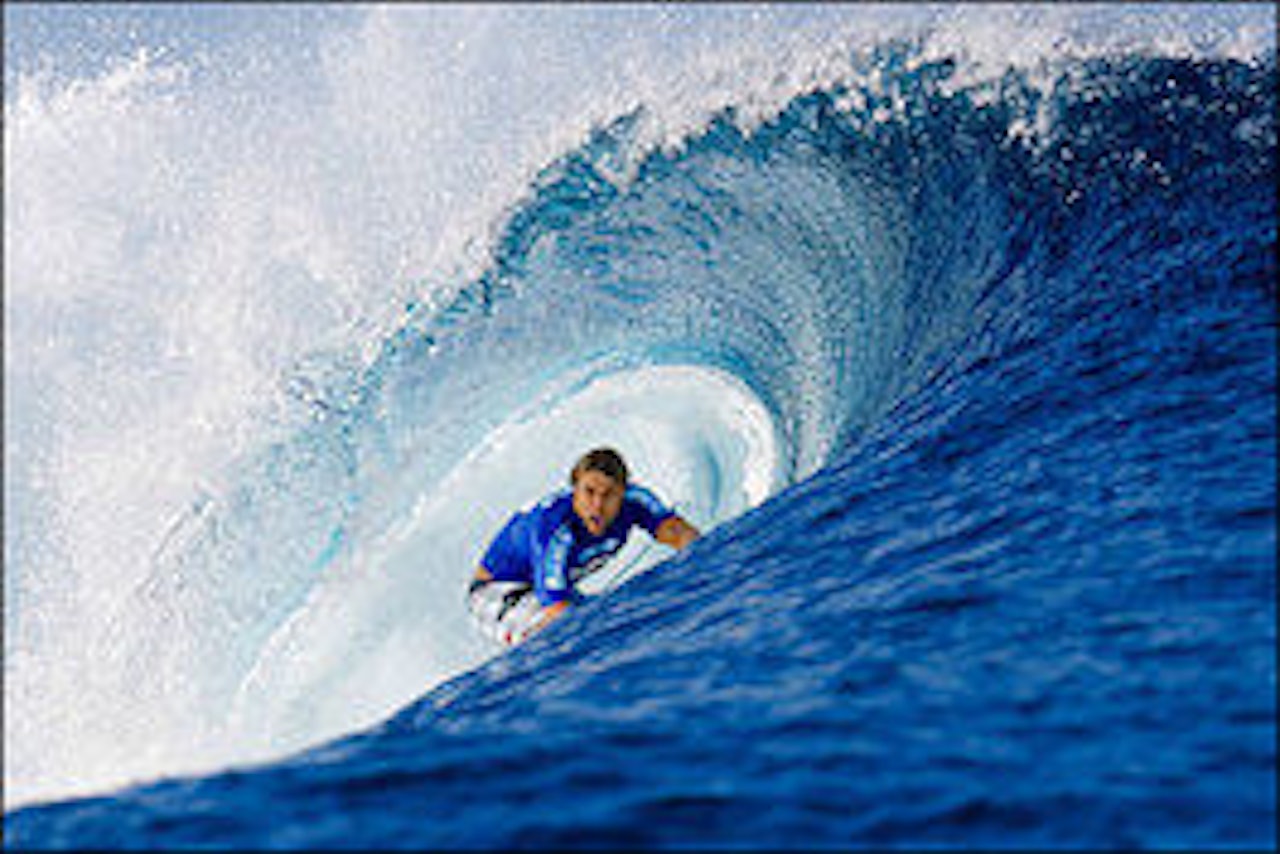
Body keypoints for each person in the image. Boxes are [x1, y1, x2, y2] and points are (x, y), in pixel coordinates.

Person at [467, 447, 700, 647]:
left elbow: (678, 533)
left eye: (608, 495)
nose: (597, 506)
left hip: (543, 590)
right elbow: (557, 609)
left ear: (623, 493)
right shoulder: (555, 527)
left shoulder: (635, 502)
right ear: (574, 490)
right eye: (589, 492)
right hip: (498, 592)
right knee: (562, 634)